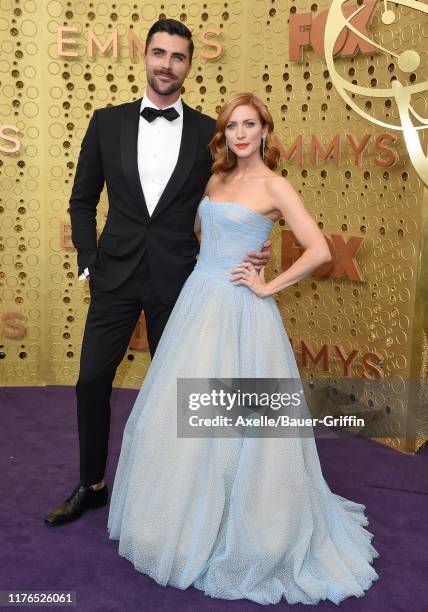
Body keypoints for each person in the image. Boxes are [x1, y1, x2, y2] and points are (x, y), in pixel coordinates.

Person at [107, 93, 380, 606]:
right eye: (232, 126)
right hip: (198, 304)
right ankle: (177, 522)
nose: (240, 134)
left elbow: (319, 249)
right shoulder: (214, 180)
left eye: (249, 125)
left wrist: (266, 284)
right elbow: (201, 234)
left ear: (264, 131)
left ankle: (247, 527)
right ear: (224, 134)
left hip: (242, 315)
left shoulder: (275, 185)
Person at [43, 20, 271, 527]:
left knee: (180, 388)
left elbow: (237, 194)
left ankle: (180, 495)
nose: (167, 64)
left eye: (178, 57)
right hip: (114, 276)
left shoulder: (208, 132)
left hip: (179, 281)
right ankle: (92, 485)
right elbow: (82, 199)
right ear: (144, 57)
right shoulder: (106, 122)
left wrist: (257, 243)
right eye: (159, 54)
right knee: (91, 382)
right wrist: (87, 257)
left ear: (190, 65)